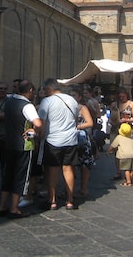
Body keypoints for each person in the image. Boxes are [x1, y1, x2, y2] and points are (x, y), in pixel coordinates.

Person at [0, 80, 42, 218]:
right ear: (29, 90)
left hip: (9, 143)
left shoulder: (9, 101)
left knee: (8, 175)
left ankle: (2, 206)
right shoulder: (27, 105)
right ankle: (14, 208)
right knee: (21, 176)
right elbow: (38, 123)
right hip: (24, 145)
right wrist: (33, 131)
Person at [37, 78, 79, 210]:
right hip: (71, 139)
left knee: (52, 170)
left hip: (53, 140)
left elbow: (41, 124)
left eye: (44, 89)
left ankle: (53, 200)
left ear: (49, 88)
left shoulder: (47, 101)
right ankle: (70, 200)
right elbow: (75, 119)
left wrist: (38, 136)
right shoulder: (72, 100)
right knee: (68, 168)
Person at [70, 86, 95, 198]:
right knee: (70, 165)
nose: (72, 97)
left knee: (84, 165)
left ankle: (83, 188)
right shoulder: (67, 107)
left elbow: (90, 123)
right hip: (70, 138)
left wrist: (77, 126)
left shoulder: (82, 108)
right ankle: (69, 190)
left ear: (79, 97)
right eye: (70, 95)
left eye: (74, 95)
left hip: (82, 139)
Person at [109, 89, 133, 180]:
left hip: (126, 131)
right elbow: (111, 116)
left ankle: (127, 172)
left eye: (123, 96)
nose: (121, 98)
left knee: (127, 151)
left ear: (127, 95)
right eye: (120, 96)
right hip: (115, 129)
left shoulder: (132, 104)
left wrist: (127, 120)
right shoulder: (114, 104)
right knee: (116, 151)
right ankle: (118, 172)